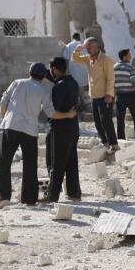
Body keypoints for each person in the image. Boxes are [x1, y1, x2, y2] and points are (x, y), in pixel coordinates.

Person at [0, 63, 75, 208]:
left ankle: (3, 197)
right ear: (44, 76)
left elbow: (3, 101)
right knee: (30, 165)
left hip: (10, 126)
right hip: (30, 131)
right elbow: (51, 113)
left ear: (29, 72)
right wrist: (68, 114)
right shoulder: (44, 91)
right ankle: (29, 198)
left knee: (4, 162)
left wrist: (3, 120)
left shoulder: (17, 83)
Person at [71, 37, 118, 152]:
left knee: (106, 121)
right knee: (97, 122)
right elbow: (75, 59)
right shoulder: (88, 58)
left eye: (89, 47)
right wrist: (77, 50)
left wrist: (109, 94)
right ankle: (105, 143)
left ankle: (114, 144)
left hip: (105, 96)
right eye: (86, 47)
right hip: (94, 96)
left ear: (96, 47)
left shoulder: (106, 60)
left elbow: (111, 79)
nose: (87, 50)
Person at [44, 57, 82, 203]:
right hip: (73, 127)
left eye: (51, 69)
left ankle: (51, 196)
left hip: (59, 128)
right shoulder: (73, 82)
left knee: (55, 162)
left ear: (54, 69)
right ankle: (74, 193)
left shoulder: (58, 86)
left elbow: (54, 110)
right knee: (71, 161)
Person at [113, 48, 135, 141]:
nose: (130, 57)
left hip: (119, 96)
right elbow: (134, 84)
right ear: (124, 57)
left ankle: (121, 139)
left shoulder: (114, 67)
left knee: (120, 120)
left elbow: (112, 83)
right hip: (130, 96)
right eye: (129, 55)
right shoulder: (130, 67)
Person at [63, 32, 88, 102]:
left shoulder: (68, 46)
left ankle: (76, 103)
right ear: (79, 38)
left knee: (74, 86)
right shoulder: (83, 45)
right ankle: (83, 102)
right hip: (83, 68)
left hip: (73, 69)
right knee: (81, 86)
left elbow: (65, 58)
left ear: (72, 38)